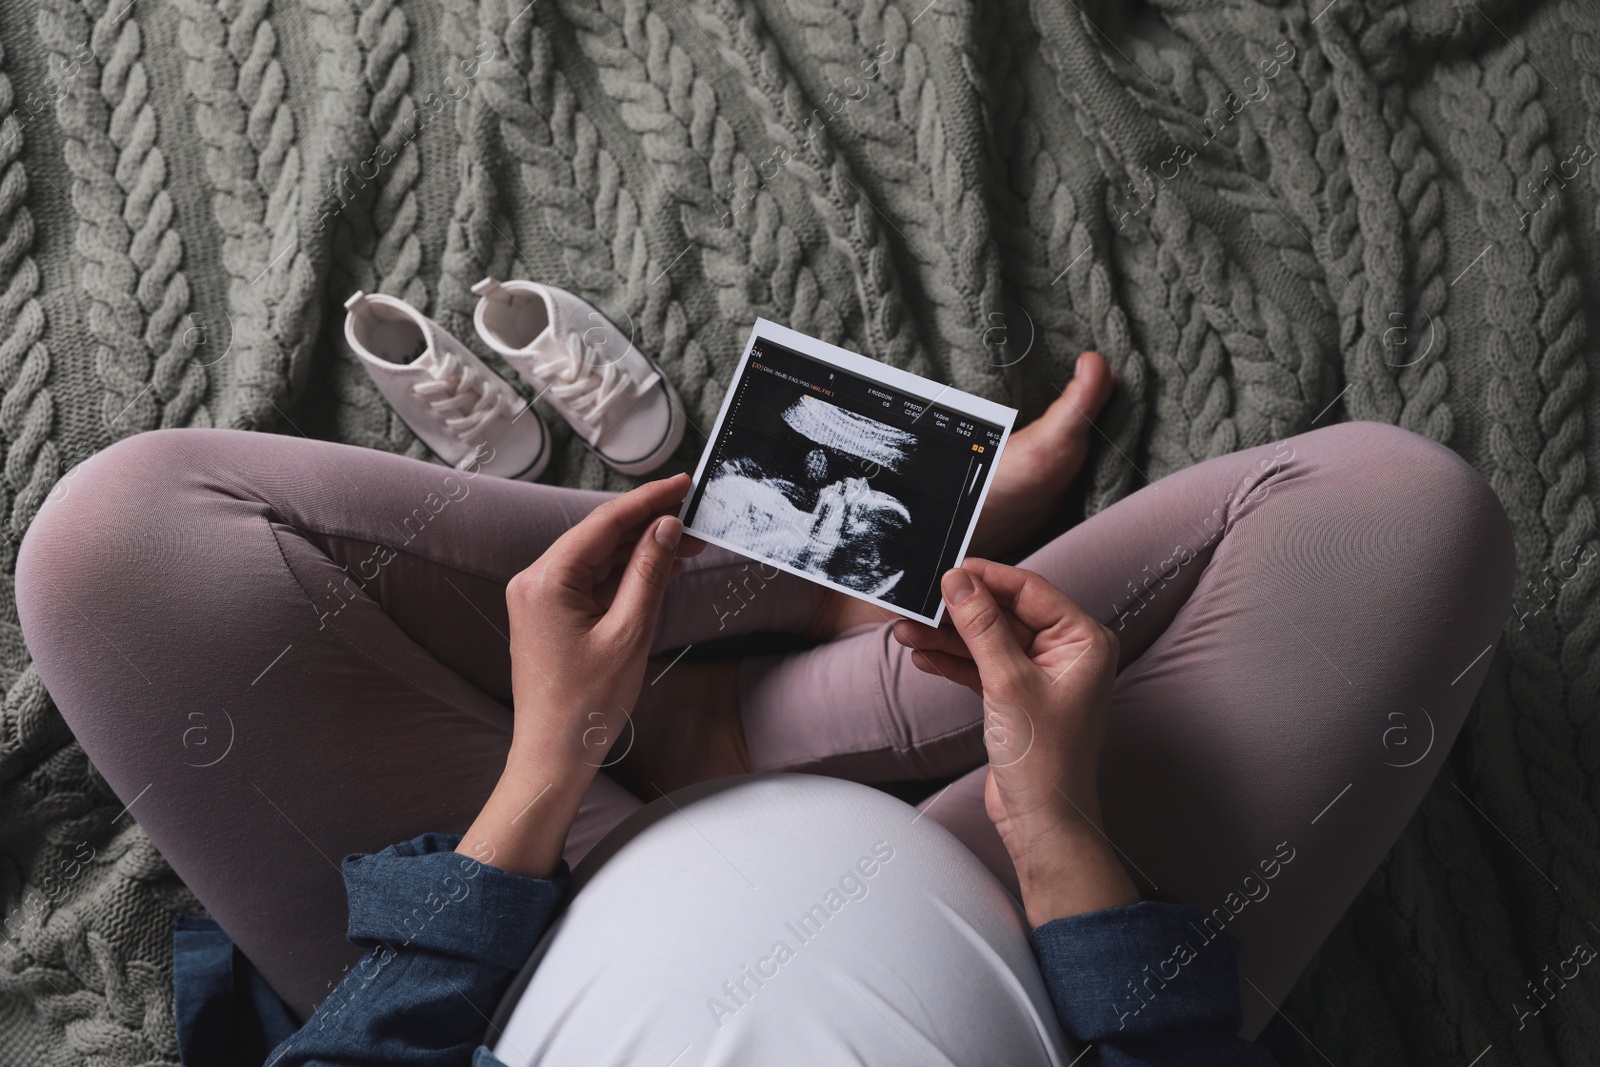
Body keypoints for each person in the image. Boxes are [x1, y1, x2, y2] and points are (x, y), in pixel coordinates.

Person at [14, 352, 1514, 1066]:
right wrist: (1056, 825)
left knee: (120, 549)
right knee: (1403, 515)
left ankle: (770, 615)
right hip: (1029, 903)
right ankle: (819, 648)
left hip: (531, 893)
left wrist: (542, 776)